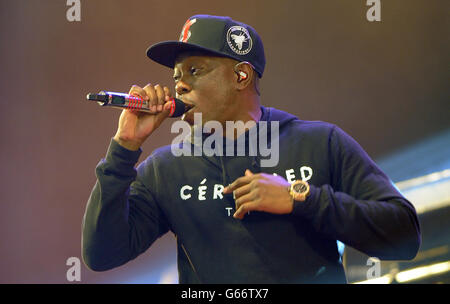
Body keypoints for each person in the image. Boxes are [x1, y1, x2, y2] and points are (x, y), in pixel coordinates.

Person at [82, 14, 421, 283]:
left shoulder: (319, 142)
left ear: (241, 76)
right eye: (176, 77)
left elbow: (404, 236)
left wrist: (300, 197)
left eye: (195, 71)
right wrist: (124, 148)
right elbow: (102, 255)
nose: (180, 85)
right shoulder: (166, 168)